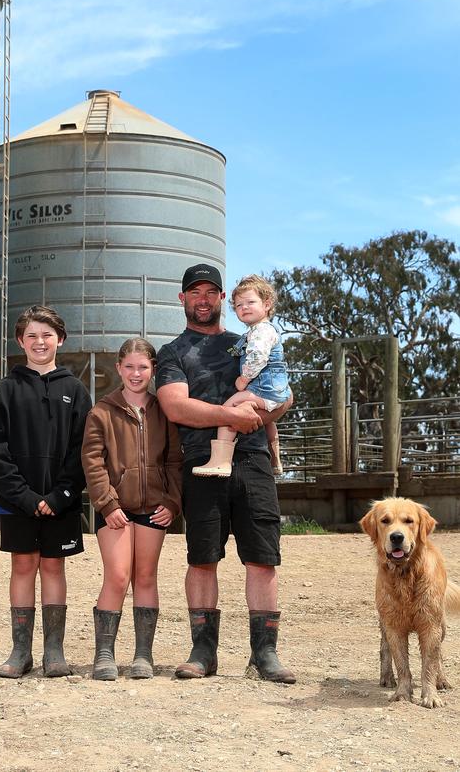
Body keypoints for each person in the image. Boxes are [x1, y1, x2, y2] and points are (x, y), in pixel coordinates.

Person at [155, 263, 295, 683]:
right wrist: (230, 414)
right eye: (194, 292)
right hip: (201, 464)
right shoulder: (173, 352)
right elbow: (175, 406)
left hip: (252, 461)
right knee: (202, 559)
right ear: (183, 300)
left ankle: (265, 655)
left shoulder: (249, 340)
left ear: (221, 300)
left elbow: (284, 395)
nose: (203, 299)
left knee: (262, 558)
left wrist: (261, 408)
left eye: (211, 292)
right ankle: (203, 652)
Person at [0, 305, 91, 679]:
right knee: (23, 565)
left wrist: (61, 495)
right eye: (31, 336)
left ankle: (54, 651)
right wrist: (26, 497)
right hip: (18, 502)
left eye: (47, 335)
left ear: (60, 339)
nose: (39, 342)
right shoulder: (6, 390)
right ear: (20, 341)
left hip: (61, 500)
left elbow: (85, 449)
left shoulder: (75, 390)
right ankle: (20, 651)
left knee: (53, 567)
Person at [82, 338, 182, 680]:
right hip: (116, 510)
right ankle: (105, 654)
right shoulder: (102, 411)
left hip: (154, 508)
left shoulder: (164, 411)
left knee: (146, 577)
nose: (136, 374)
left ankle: (143, 655)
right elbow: (93, 462)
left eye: (143, 367)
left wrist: (172, 501)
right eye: (129, 367)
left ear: (153, 369)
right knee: (118, 575)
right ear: (118, 368)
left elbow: (173, 460)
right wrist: (107, 503)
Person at [192, 274, 291, 478]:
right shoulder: (256, 331)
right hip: (275, 390)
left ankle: (221, 461)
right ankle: (275, 460)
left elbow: (256, 357)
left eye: (250, 302)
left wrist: (243, 380)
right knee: (268, 422)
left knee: (229, 410)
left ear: (266, 304)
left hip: (264, 389)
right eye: (238, 305)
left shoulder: (261, 332)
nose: (244, 307)